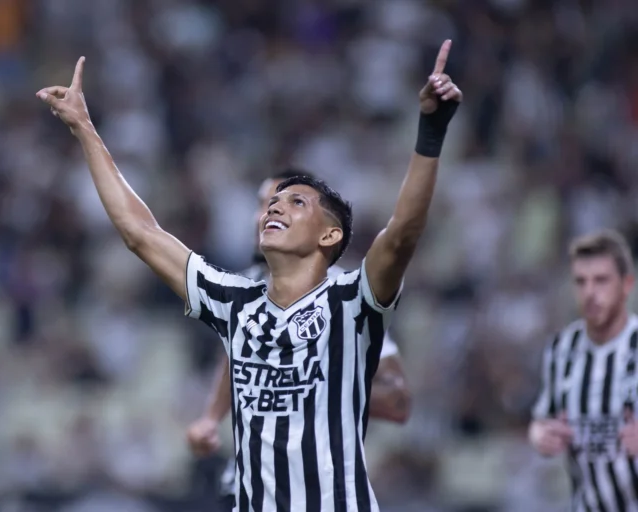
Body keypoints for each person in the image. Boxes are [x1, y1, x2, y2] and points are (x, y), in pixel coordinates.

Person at [37, 39, 461, 512]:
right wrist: (84, 128)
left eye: (296, 202)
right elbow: (140, 233)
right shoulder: (234, 301)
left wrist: (431, 131)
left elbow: (402, 233)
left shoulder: (352, 300)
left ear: (330, 236)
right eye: (271, 202)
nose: (274, 207)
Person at [185, 169, 412, 510]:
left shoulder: (347, 298)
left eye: (282, 205)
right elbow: (240, 360)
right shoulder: (242, 292)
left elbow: (398, 402)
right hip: (249, 486)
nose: (262, 216)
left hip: (317, 489)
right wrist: (211, 417)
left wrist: (313, 386)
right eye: (263, 204)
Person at [530, 229, 638, 511]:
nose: (590, 292)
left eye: (601, 280)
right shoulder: (561, 349)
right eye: (581, 281)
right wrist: (540, 435)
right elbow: (542, 419)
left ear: (626, 284)